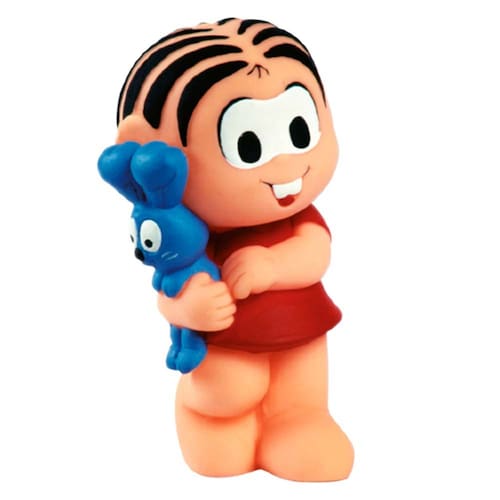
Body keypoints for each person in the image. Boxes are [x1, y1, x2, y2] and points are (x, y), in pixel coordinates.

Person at [113, 17, 354, 481]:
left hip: (300, 337)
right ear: (146, 151)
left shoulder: (297, 219)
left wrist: (274, 265)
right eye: (248, 145)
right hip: (224, 356)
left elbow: (316, 254)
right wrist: (189, 309)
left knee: (302, 392)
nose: (288, 166)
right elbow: (169, 291)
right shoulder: (187, 239)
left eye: (301, 132)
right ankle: (207, 419)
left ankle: (298, 420)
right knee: (224, 398)